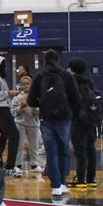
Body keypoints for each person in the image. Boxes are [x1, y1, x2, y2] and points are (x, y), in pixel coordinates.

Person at [28, 49, 79, 197]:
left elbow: (31, 100)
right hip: (64, 118)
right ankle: (62, 183)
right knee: (63, 150)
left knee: (51, 151)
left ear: (44, 61)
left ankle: (55, 185)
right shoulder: (66, 75)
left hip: (46, 118)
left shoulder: (39, 76)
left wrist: (43, 103)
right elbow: (76, 98)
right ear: (58, 60)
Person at [67, 57, 100, 188]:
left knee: (80, 151)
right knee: (91, 149)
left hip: (78, 120)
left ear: (72, 69)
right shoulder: (90, 82)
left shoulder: (72, 82)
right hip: (91, 120)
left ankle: (81, 179)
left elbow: (71, 101)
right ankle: (91, 179)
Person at [12, 75, 41, 173]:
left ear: (31, 85)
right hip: (20, 123)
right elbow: (13, 112)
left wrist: (31, 106)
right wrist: (21, 107)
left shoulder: (37, 97)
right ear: (21, 86)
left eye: (28, 84)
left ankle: (34, 165)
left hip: (34, 124)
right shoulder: (17, 98)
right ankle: (18, 165)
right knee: (19, 145)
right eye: (24, 84)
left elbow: (40, 112)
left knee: (34, 145)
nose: (26, 86)